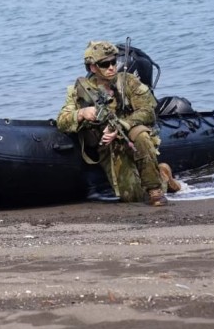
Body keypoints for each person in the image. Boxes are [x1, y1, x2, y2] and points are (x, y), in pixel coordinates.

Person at [56, 40, 178, 206]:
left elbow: (148, 112)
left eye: (114, 62)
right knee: (132, 197)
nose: (112, 67)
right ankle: (163, 176)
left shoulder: (128, 82)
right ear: (92, 67)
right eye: (105, 64)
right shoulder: (79, 91)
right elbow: (62, 121)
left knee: (141, 134)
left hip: (132, 137)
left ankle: (156, 191)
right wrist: (82, 113)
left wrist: (122, 125)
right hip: (109, 148)